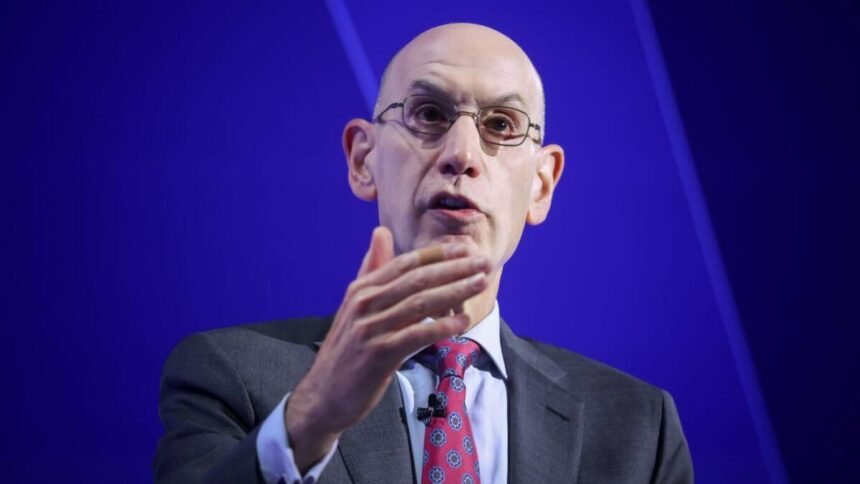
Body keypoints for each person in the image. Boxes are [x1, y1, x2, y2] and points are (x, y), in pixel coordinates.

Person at [154, 23, 693, 484]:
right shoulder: (228, 374)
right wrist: (310, 420)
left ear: (541, 185)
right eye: (429, 114)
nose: (462, 154)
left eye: (500, 125)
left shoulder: (639, 427)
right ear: (363, 160)